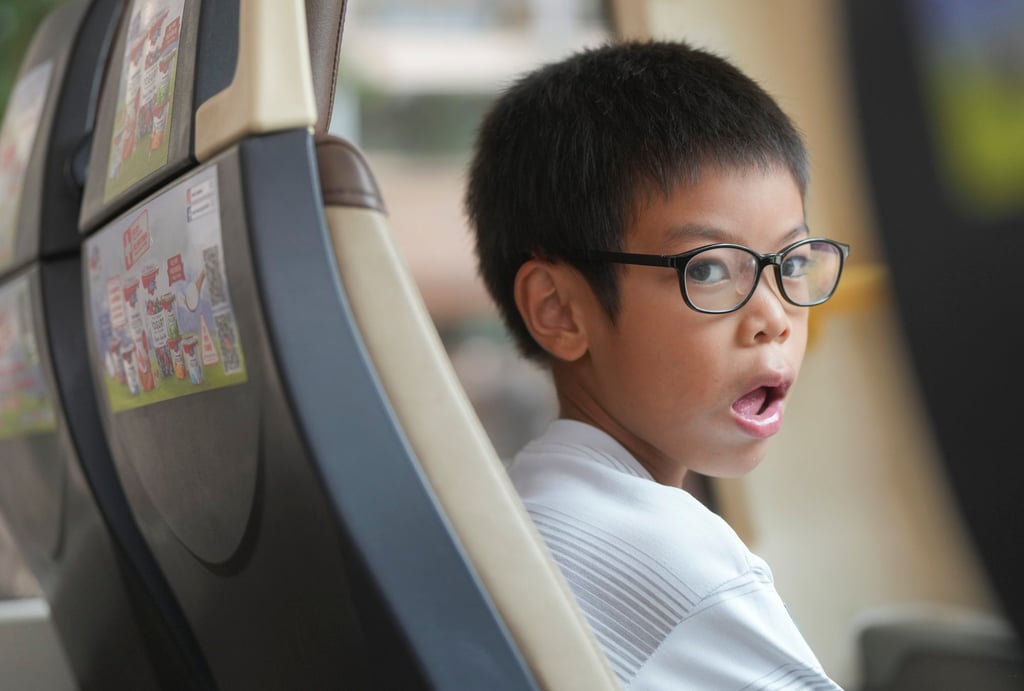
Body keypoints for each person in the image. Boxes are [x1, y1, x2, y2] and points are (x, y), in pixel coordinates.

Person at [465, 39, 847, 689]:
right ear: (559, 310)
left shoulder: (526, 501)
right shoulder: (673, 558)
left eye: (792, 263)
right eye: (708, 268)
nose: (774, 316)